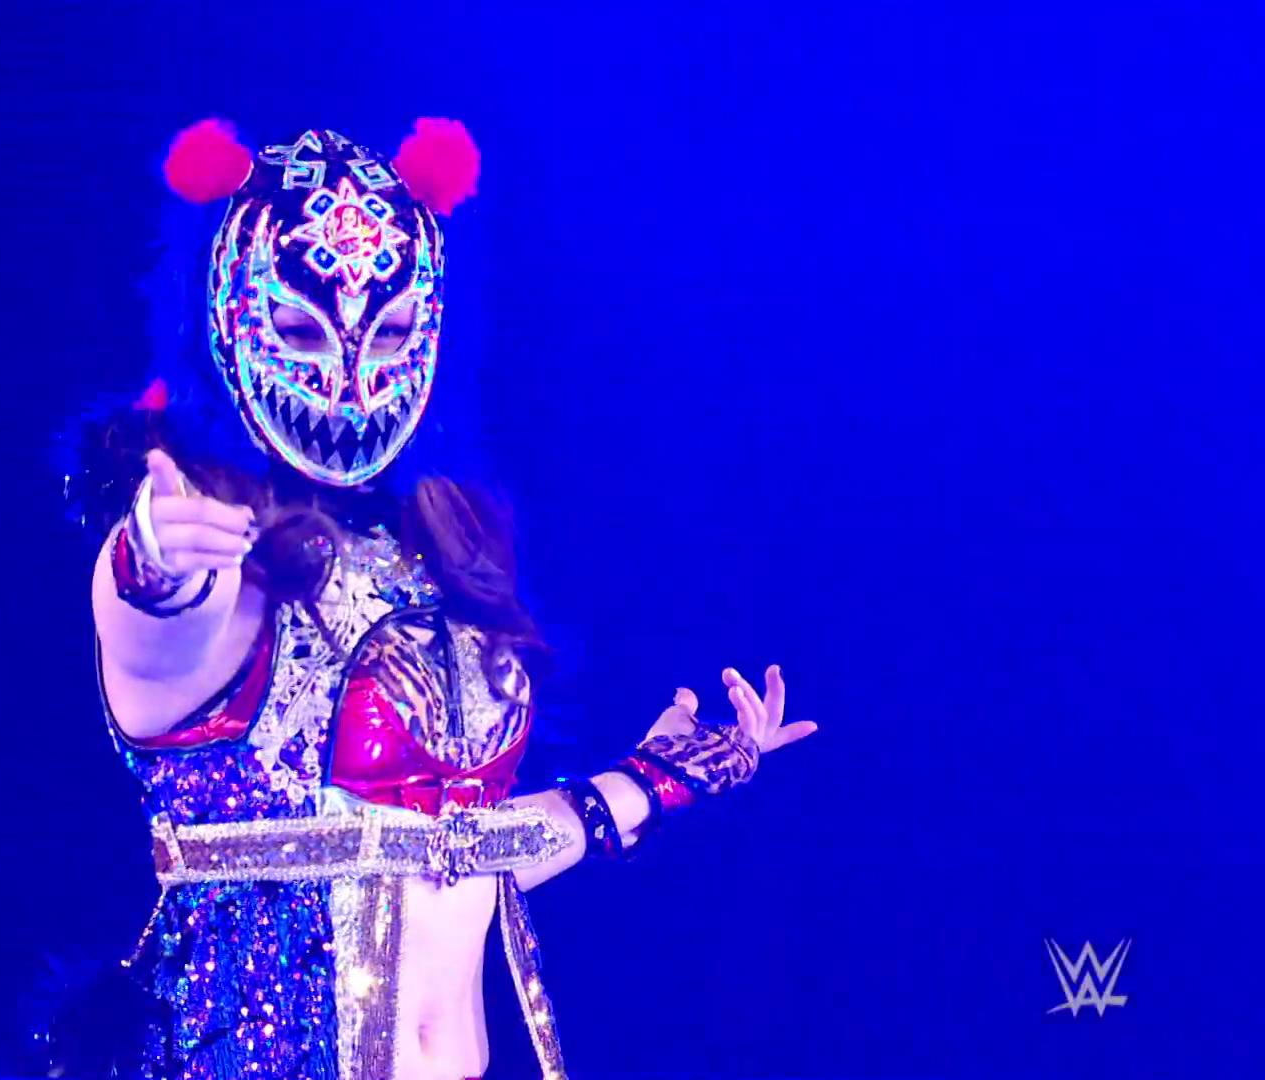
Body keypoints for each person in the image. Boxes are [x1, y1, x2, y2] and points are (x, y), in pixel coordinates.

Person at [58, 116, 817, 1080]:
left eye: (389, 332)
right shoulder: (216, 567)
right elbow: (150, 619)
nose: (348, 372)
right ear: (232, 321)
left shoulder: (432, 562)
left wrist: (664, 776)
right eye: (302, 331)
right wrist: (153, 556)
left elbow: (466, 854)